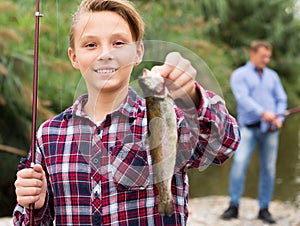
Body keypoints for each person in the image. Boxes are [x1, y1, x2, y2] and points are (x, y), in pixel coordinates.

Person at [13, 0, 240, 225]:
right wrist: (36, 205)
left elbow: (225, 145)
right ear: (74, 57)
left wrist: (191, 94)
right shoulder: (49, 135)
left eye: (119, 43)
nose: (105, 54)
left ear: (138, 52)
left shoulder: (172, 118)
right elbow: (27, 221)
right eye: (91, 45)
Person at [221, 40, 287, 224]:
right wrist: (263, 112)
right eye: (263, 56)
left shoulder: (273, 76)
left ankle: (264, 209)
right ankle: (233, 206)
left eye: (268, 57)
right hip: (247, 128)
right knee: (240, 164)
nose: (266, 60)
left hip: (271, 130)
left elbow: (281, 99)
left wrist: (279, 119)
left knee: (269, 169)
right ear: (252, 54)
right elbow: (243, 99)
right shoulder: (239, 75)